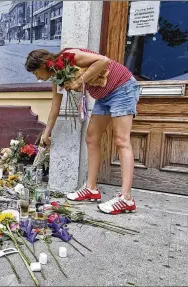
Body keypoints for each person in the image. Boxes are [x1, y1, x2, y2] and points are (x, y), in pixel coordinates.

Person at [25, 48, 140, 215]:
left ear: (43, 64)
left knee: (121, 141)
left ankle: (126, 198)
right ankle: (91, 188)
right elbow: (55, 108)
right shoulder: (57, 77)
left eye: (36, 72)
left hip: (122, 88)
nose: (36, 77)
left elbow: (104, 61)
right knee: (91, 139)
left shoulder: (69, 57)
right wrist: (46, 133)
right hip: (104, 95)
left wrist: (79, 82)